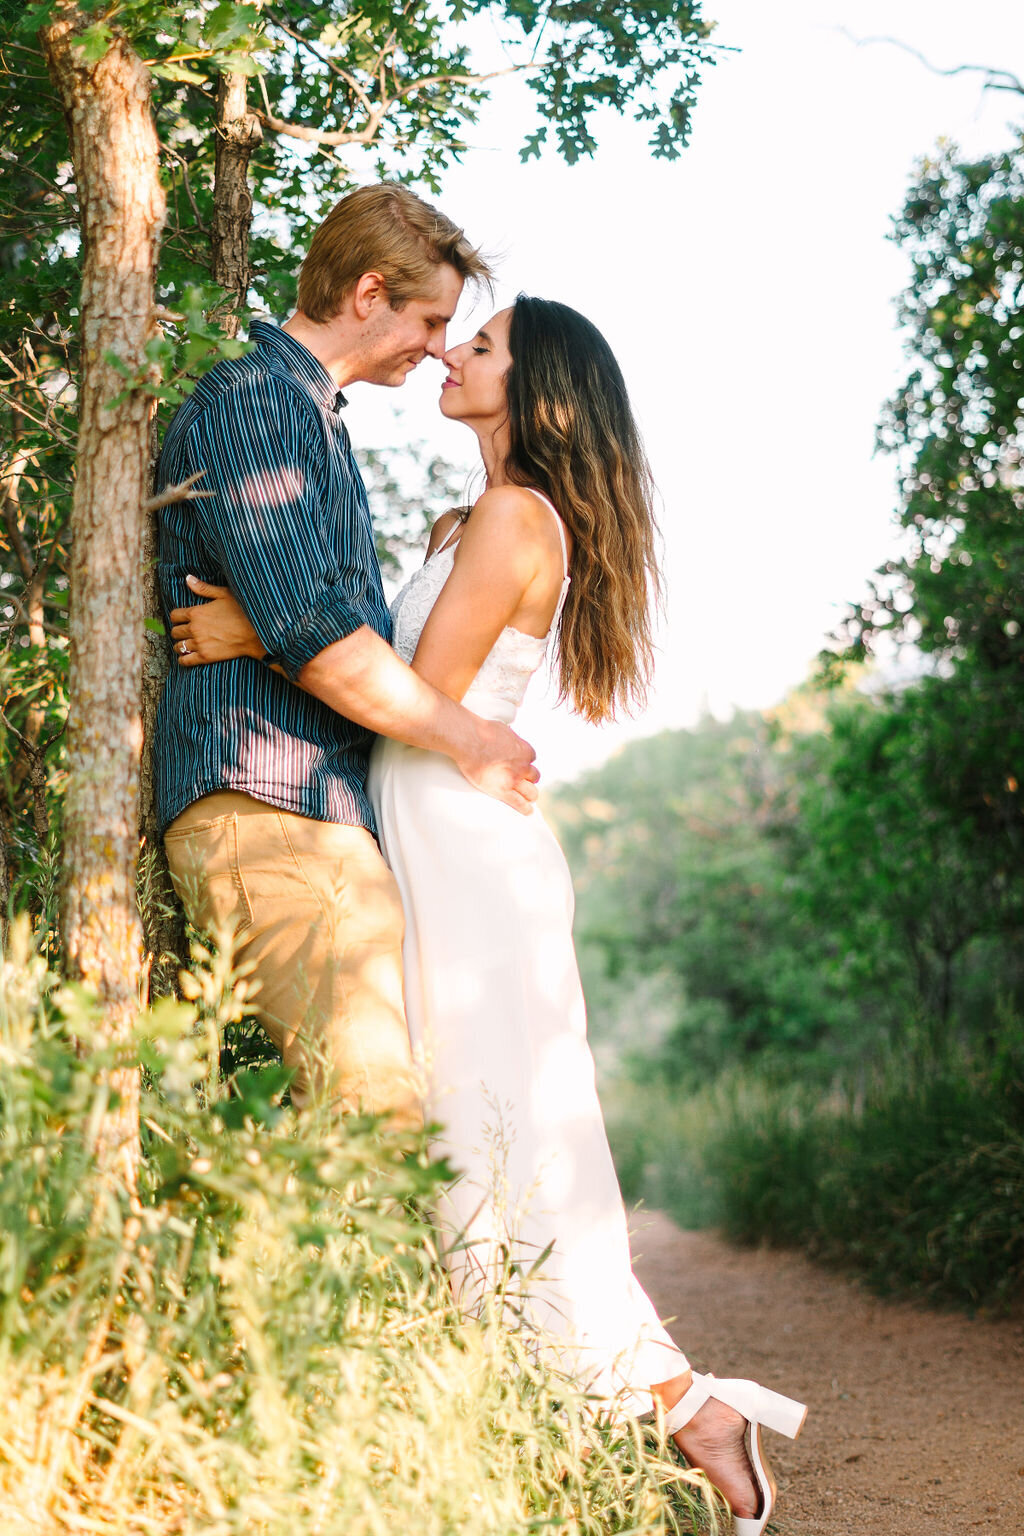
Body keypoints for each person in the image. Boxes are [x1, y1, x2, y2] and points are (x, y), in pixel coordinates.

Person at [169, 296, 806, 1535]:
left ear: (536, 389)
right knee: (471, 1143)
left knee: (501, 1145)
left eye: (484, 344)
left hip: (464, 848)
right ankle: (614, 1416)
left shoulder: (517, 517)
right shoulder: (473, 517)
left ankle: (674, 1403)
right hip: (423, 827)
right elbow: (402, 679)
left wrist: (263, 628)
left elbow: (427, 692)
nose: (454, 351)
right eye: (456, 335)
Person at [155, 183, 538, 1126]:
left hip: (310, 817)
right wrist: (472, 739)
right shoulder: (260, 400)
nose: (440, 345)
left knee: (370, 1123)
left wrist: (270, 633)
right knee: (374, 1130)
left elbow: (309, 625)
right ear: (370, 294)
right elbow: (319, 643)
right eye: (432, 318)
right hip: (270, 812)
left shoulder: (308, 413)